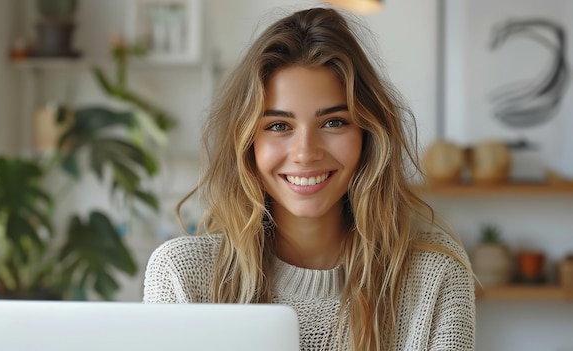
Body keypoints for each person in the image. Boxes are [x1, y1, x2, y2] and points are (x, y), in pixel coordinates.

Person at [143, 7, 475, 351]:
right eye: (278, 126)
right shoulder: (183, 274)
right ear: (247, 144)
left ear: (367, 135)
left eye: (333, 122)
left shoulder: (436, 274)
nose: (305, 152)